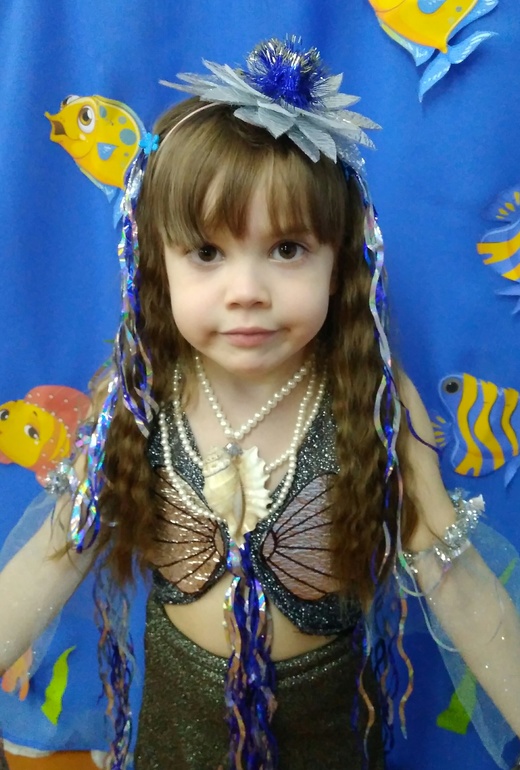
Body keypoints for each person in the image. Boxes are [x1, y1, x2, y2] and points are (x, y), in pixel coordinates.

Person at [1, 37, 519, 770]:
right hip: (178, 732)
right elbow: (57, 553)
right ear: (158, 263)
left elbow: (452, 577)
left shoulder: (373, 400)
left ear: (339, 260)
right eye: (207, 253)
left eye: (286, 250)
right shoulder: (142, 391)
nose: (247, 291)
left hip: (324, 736)